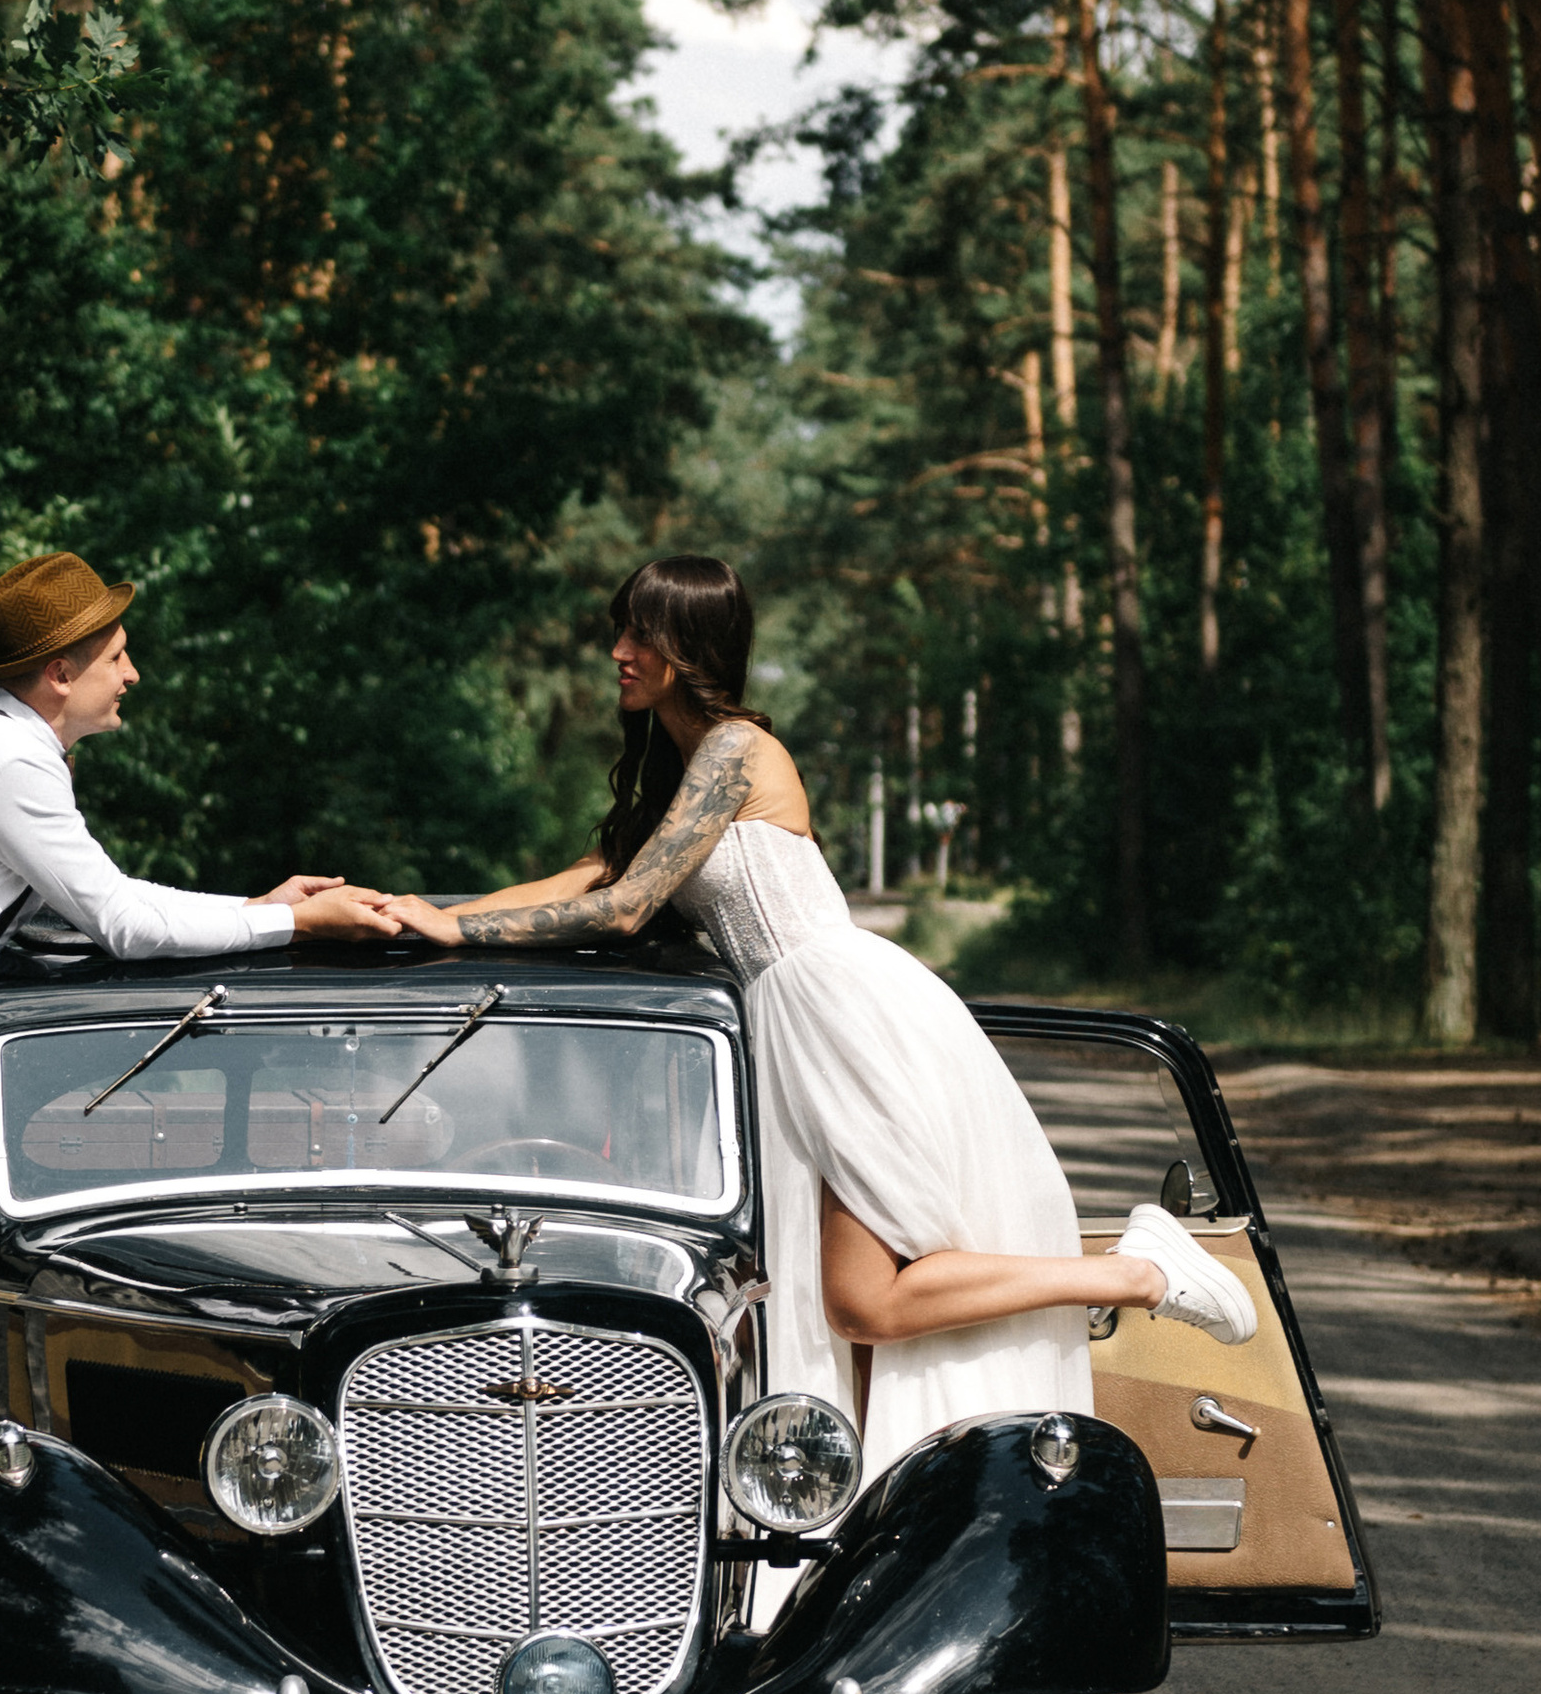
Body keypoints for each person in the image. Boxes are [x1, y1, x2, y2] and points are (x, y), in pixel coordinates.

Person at [383, 552, 1254, 1479]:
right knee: (841, 1308)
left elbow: (626, 906)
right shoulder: (684, 775)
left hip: (845, 1014)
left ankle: (1138, 1273)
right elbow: (586, 879)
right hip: (795, 1032)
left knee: (862, 1302)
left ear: (684, 645)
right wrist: (429, 919)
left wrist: (448, 924)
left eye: (638, 632)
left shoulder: (735, 749)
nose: (617, 652)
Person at [0, 549, 397, 1694]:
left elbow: (79, 912)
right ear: (58, 672)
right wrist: (290, 919)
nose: (131, 675)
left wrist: (260, 909)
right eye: (113, 657)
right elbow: (113, 912)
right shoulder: (6, 756)